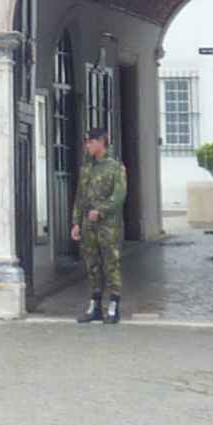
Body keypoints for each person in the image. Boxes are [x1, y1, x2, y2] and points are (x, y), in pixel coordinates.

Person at [73, 132, 130, 324]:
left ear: (101, 142)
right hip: (88, 225)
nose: (87, 146)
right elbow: (80, 197)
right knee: (92, 264)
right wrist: (76, 222)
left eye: (90, 142)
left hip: (108, 226)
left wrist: (101, 210)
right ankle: (95, 304)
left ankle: (114, 304)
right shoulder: (86, 169)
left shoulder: (115, 167)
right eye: (86, 142)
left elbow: (119, 195)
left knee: (111, 263)